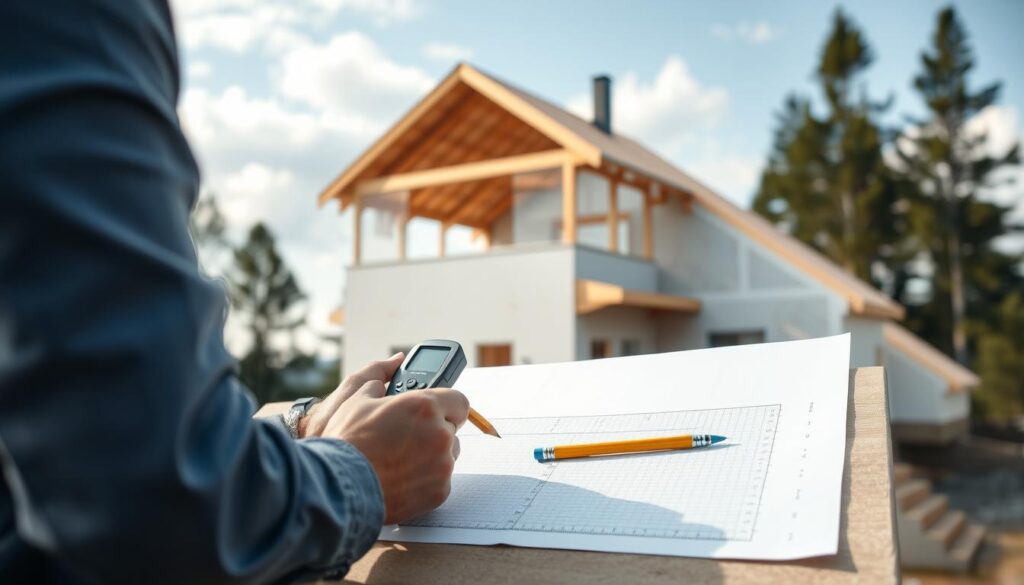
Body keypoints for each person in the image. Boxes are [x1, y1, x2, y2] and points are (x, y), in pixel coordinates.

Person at [0, 0, 469, 582]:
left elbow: (78, 436)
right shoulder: (67, 20)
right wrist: (363, 473)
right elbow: (166, 511)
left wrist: (301, 429)